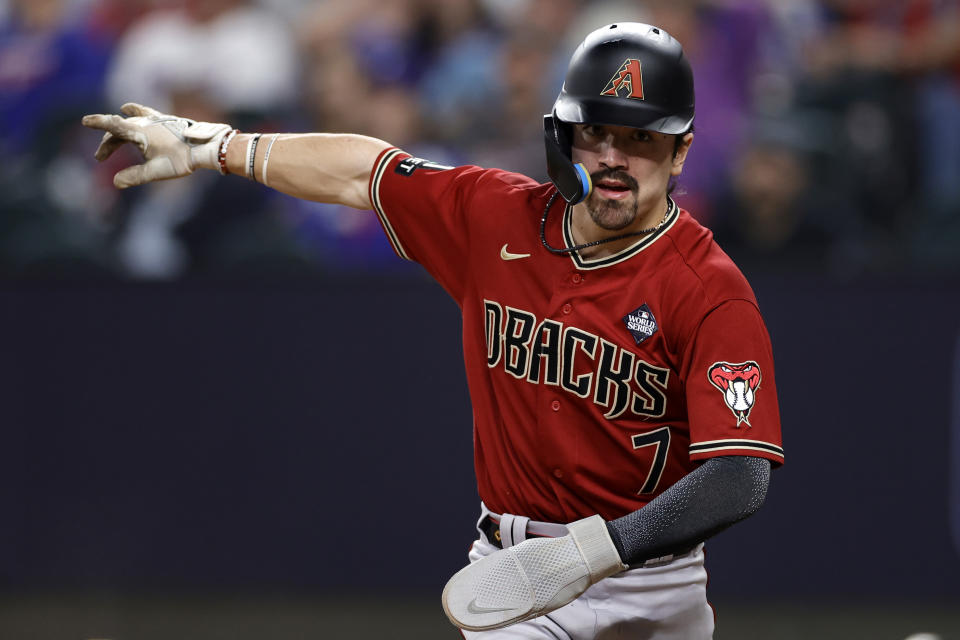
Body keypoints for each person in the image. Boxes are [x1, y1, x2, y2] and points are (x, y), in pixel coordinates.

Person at [82, 22, 783, 640]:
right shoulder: (495, 218)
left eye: (640, 140)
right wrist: (218, 145)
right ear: (563, 136)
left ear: (681, 152)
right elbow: (366, 173)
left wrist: (600, 550)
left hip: (651, 582)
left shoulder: (709, 290)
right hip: (516, 576)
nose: (612, 157)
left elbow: (738, 477)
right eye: (594, 131)